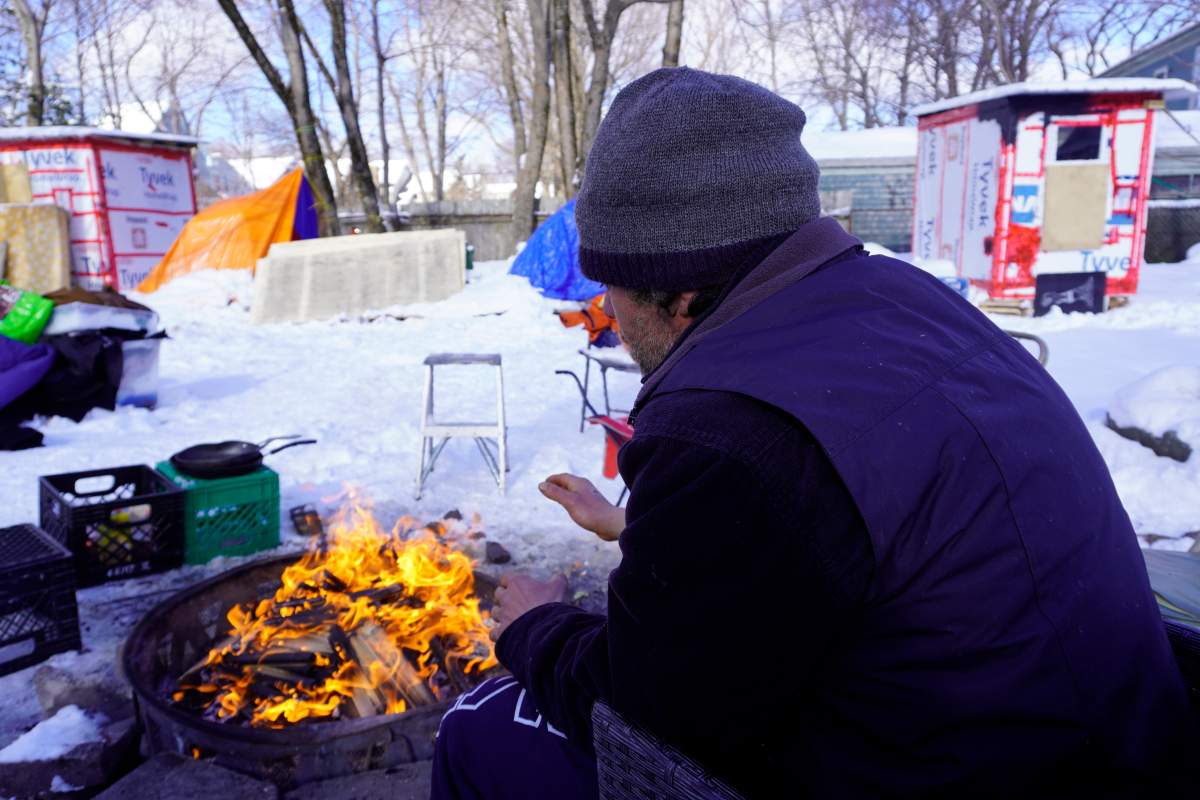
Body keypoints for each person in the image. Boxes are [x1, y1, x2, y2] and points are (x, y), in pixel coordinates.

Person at [430, 68, 1193, 799]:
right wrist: (646, 528)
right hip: (1115, 745)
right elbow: (844, 536)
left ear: (682, 292)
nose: (611, 315)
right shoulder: (904, 299)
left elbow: (649, 706)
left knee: (480, 730)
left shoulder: (729, 427)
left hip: (970, 776)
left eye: (613, 286)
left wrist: (535, 626)